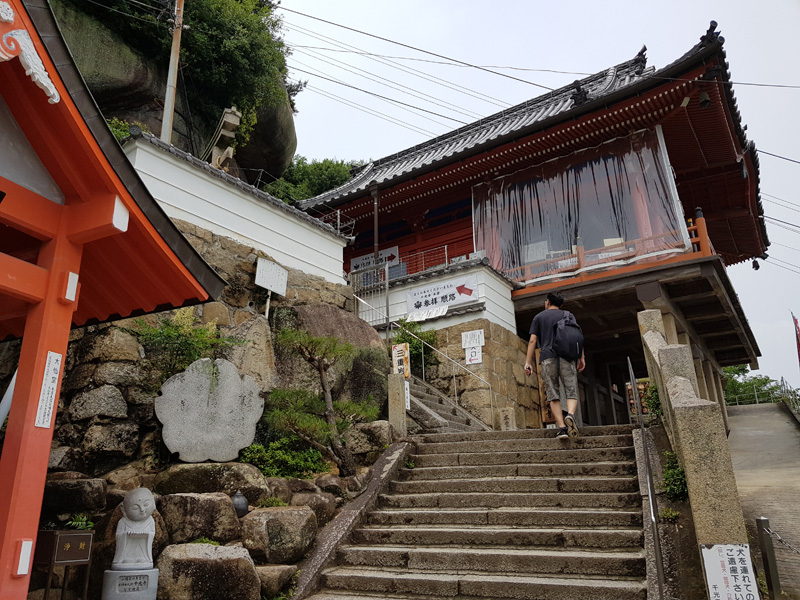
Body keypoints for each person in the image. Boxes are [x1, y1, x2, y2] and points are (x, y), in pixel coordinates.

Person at [524, 292, 585, 439]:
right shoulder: (568, 315)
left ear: (547, 302)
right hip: (567, 356)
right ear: (560, 304)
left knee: (553, 393)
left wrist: (527, 362)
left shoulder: (539, 317)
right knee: (571, 390)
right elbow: (576, 336)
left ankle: (563, 429)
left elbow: (532, 341)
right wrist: (581, 357)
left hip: (547, 357)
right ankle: (570, 415)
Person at [111, 487, 157, 571]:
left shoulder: (150, 521)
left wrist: (146, 535)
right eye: (135, 508)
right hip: (126, 552)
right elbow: (119, 536)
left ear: (153, 502)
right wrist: (126, 535)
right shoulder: (123, 522)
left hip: (143, 550)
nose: (142, 510)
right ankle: (124, 560)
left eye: (146, 504)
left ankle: (143, 560)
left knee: (142, 559)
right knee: (126, 559)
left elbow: (152, 533)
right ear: (123, 509)